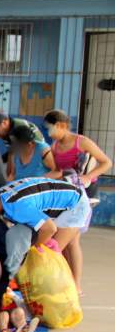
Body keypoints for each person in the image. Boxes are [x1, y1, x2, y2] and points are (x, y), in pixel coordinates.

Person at [0, 177, 91, 293]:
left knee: (50, 254)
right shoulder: (2, 194)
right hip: (72, 193)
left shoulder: (16, 206)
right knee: (71, 244)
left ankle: (63, 290)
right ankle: (75, 287)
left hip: (75, 204)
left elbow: (49, 229)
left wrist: (34, 249)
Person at [44, 109, 112, 293]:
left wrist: (88, 177)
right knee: (71, 241)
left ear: (62, 126)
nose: (49, 132)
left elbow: (106, 162)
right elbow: (59, 170)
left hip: (85, 193)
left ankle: (75, 284)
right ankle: (71, 283)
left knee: (71, 239)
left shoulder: (82, 142)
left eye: (51, 128)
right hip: (67, 193)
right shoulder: (55, 145)